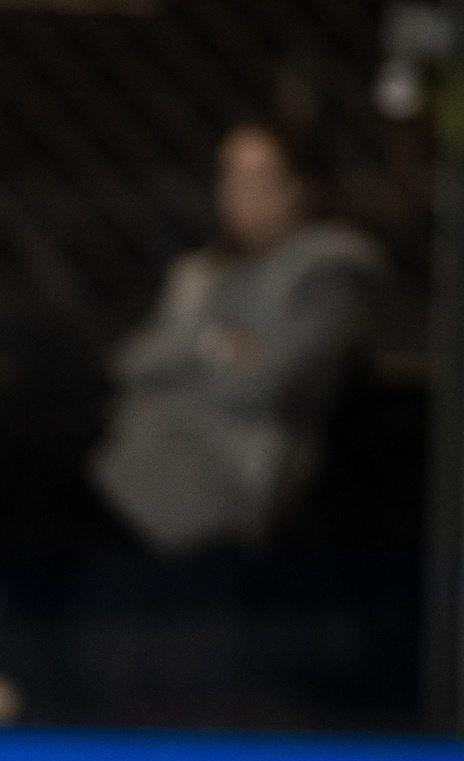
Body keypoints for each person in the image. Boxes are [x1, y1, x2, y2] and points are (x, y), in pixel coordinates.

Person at [91, 122, 383, 559]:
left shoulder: (326, 270)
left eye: (256, 179)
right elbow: (127, 364)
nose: (237, 193)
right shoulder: (200, 273)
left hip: (231, 466)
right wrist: (210, 346)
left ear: (298, 188)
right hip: (147, 448)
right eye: (228, 175)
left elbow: (264, 385)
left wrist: (172, 370)